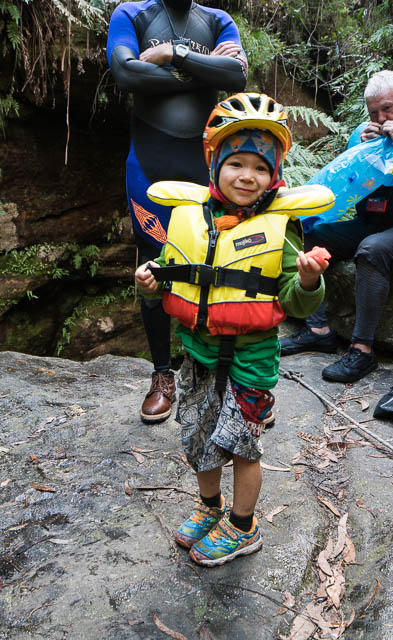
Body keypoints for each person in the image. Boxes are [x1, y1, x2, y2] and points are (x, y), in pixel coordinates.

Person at [135, 92, 333, 566]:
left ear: (276, 174)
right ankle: (210, 507)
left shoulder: (280, 227)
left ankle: (244, 527)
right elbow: (168, 272)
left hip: (251, 358)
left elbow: (292, 295)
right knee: (198, 438)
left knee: (243, 447)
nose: (248, 176)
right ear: (214, 163)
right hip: (198, 353)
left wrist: (307, 279)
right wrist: (147, 283)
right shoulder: (189, 218)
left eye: (261, 168)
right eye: (237, 163)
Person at [107, 0, 248, 423]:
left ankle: (220, 374)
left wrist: (173, 55)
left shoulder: (218, 20)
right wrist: (201, 70)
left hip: (207, 165)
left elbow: (237, 76)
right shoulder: (130, 14)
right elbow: (126, 73)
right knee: (155, 266)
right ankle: (162, 374)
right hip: (150, 163)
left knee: (219, 261)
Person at [280, 70, 393, 383]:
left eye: (388, 108)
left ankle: (362, 350)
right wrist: (360, 155)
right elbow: (347, 190)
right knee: (310, 232)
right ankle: (318, 330)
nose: (381, 117)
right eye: (374, 112)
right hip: (371, 221)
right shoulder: (367, 135)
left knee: (372, 250)